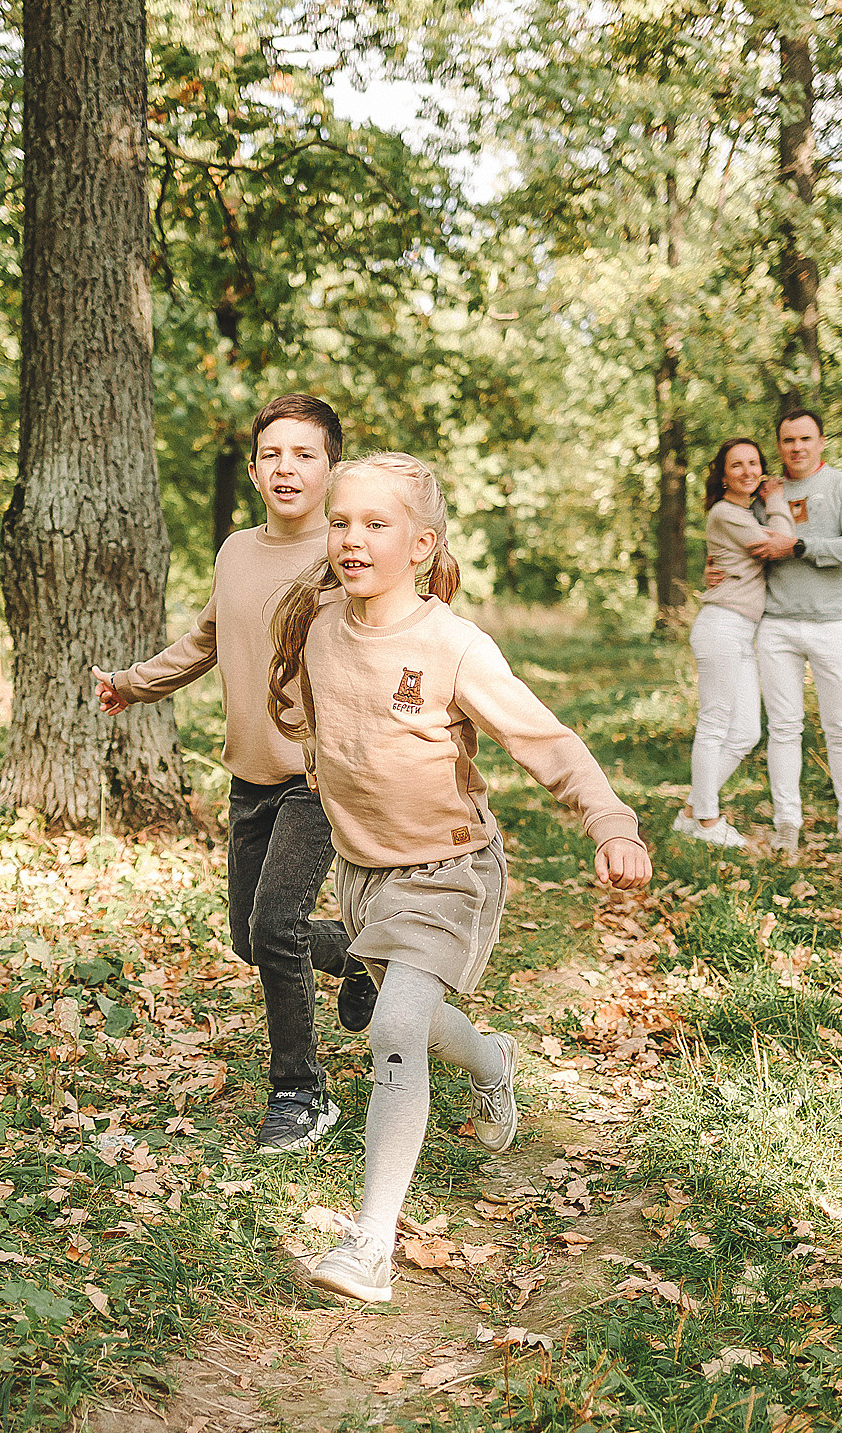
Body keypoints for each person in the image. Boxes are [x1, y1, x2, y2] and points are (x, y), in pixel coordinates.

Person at [268, 453, 651, 1303]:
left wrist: (611, 821)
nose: (353, 539)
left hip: (447, 872)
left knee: (396, 1029)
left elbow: (544, 741)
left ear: (421, 545)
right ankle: (492, 1060)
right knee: (418, 1020)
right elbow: (319, 729)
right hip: (364, 875)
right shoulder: (319, 627)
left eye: (376, 525)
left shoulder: (453, 646)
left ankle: (369, 1245)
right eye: (341, 522)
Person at [93, 393, 378, 1154]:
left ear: (332, 469)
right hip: (250, 777)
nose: (287, 468)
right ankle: (361, 955)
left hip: (318, 780)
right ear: (253, 471)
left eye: (305, 455)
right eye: (272, 455)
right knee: (253, 939)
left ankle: (301, 1093)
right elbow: (204, 641)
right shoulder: (235, 554)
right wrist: (131, 684)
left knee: (277, 924)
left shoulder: (346, 557)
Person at [713, 408, 842, 864]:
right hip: (777, 624)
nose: (797, 448)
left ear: (821, 442)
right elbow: (732, 539)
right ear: (779, 446)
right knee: (784, 729)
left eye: (806, 438)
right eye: (788, 440)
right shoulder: (762, 493)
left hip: (833, 623)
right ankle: (787, 822)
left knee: (841, 728)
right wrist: (717, 568)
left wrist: (799, 546)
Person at [672, 438, 794, 849]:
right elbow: (783, 544)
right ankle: (707, 822)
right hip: (721, 626)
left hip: (741, 630)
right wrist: (776, 499)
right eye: (737, 465)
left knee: (744, 733)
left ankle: (691, 812)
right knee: (714, 724)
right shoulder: (726, 512)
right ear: (723, 475)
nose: (747, 471)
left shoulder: (743, 513)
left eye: (753, 463)